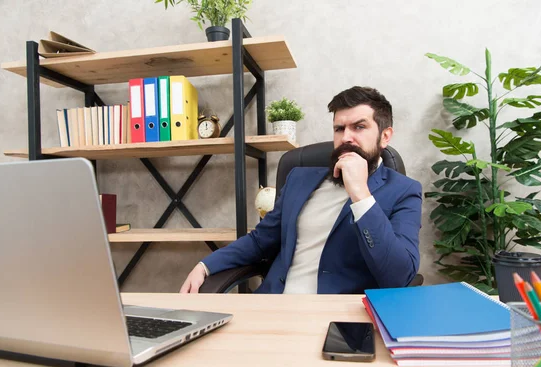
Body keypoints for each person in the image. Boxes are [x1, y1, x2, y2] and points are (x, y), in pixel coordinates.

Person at [180, 86, 422, 294]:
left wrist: (361, 194)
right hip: (275, 306)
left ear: (385, 136)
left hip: (339, 322)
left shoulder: (404, 191)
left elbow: (398, 276)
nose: (346, 137)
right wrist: (206, 265)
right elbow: (260, 241)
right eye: (339, 128)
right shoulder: (300, 178)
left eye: (359, 127)